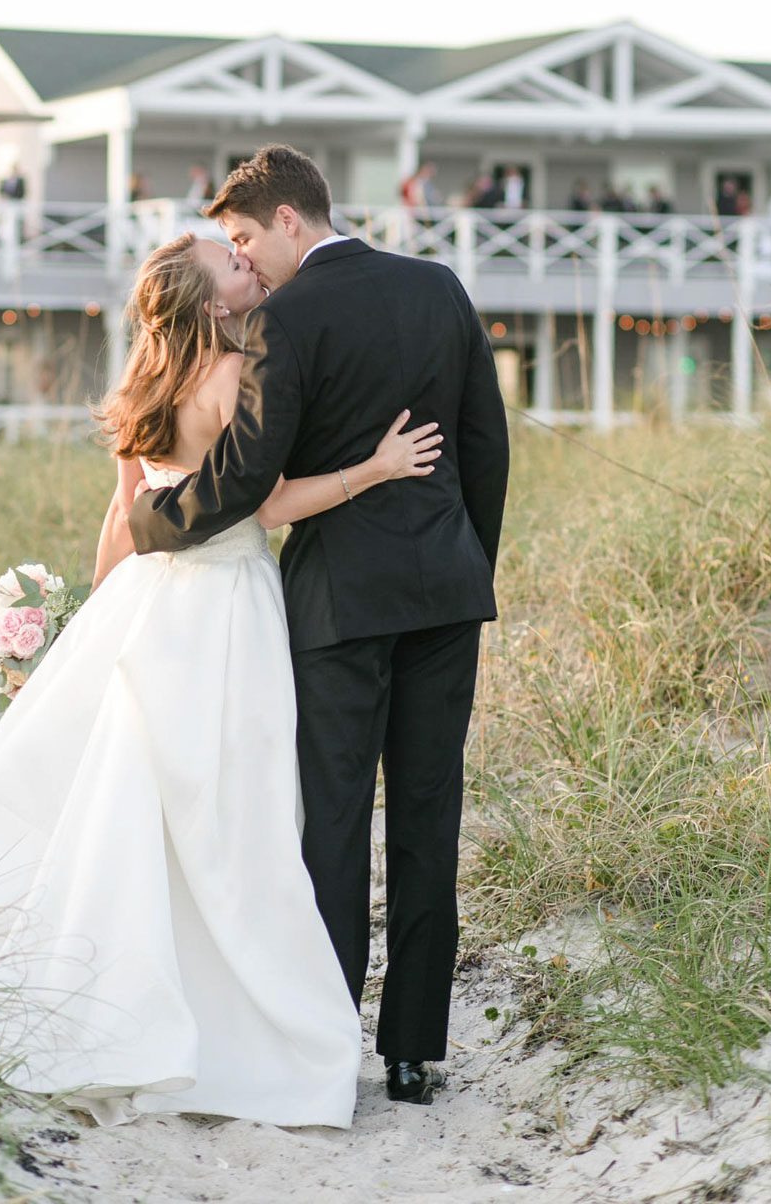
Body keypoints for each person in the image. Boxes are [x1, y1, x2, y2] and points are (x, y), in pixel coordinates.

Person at [0, 228, 443, 1129]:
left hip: (146, 604)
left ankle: (136, 1008)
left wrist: (83, 631)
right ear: (212, 304)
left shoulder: (140, 388)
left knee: (145, 806)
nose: (246, 263)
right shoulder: (232, 379)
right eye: (231, 263)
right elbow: (268, 503)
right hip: (225, 609)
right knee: (232, 814)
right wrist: (373, 469)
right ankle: (239, 1026)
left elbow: (122, 518)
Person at [128, 145, 509, 1109]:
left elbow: (248, 480)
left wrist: (154, 517)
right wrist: (468, 564)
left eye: (248, 237)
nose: (245, 259)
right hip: (444, 594)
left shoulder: (284, 321)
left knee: (332, 825)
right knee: (431, 817)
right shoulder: (441, 286)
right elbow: (483, 447)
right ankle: (416, 1053)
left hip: (336, 607)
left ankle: (333, 1042)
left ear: (290, 220)